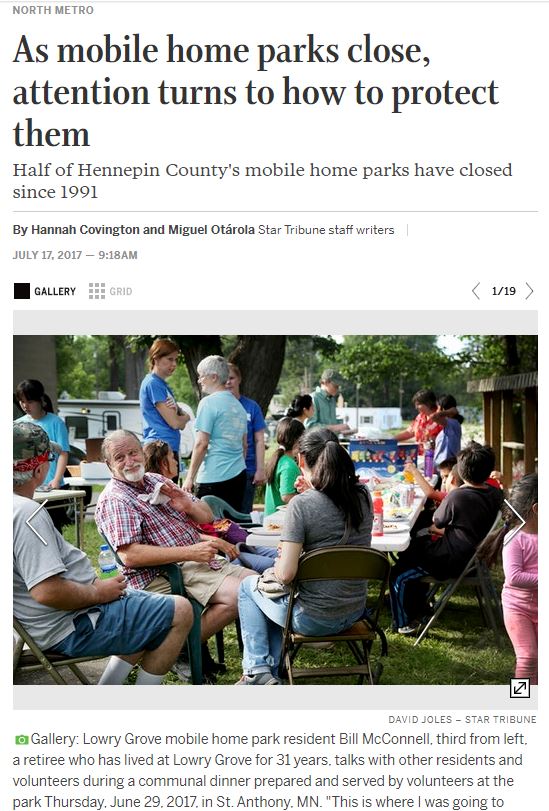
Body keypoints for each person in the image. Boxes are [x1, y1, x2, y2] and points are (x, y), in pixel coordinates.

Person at [13, 422, 192, 685]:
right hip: (66, 626)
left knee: (143, 615)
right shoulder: (26, 514)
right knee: (182, 610)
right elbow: (47, 591)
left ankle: (105, 695)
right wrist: (99, 592)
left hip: (48, 622)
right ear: (40, 469)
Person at [95, 430, 254, 659]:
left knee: (257, 586)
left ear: (142, 452)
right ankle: (176, 648)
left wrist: (188, 505)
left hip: (199, 562)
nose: (129, 462)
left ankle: (261, 663)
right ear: (109, 465)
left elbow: (207, 516)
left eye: (133, 453)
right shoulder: (116, 499)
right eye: (120, 457)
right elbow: (130, 555)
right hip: (165, 573)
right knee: (242, 594)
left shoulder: (156, 480)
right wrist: (190, 552)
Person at [237, 429, 373, 684]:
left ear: (301, 460)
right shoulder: (363, 496)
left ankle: (256, 671)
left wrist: (278, 565)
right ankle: (268, 671)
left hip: (312, 619)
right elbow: (333, 511)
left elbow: (286, 574)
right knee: (276, 596)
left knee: (249, 587)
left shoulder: (302, 505)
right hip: (354, 609)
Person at [389, 443, 504, 635]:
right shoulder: (494, 494)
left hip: (451, 560)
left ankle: (403, 623)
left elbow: (438, 521)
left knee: (398, 574)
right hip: (473, 558)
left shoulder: (457, 496)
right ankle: (420, 607)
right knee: (410, 552)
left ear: (460, 470)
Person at [144, 439, 277, 575]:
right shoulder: (156, 500)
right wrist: (215, 540)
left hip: (229, 538)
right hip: (214, 550)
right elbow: (180, 535)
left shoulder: (176, 490)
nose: (176, 462)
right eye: (172, 457)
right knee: (274, 564)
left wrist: (189, 506)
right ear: (163, 463)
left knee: (279, 553)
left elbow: (208, 515)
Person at [479, 473, 538, 684]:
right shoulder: (515, 538)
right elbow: (514, 577)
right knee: (528, 657)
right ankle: (521, 703)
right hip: (518, 609)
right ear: (537, 509)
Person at [183, 355, 248, 510]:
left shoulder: (208, 403)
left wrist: (190, 477)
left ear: (214, 377)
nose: (199, 380)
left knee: (208, 529)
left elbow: (201, 444)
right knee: (231, 528)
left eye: (201, 376)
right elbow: (244, 444)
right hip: (239, 475)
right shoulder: (239, 406)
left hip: (213, 476)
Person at [15, 379, 71, 530]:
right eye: (21, 401)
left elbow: (63, 453)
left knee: (53, 529)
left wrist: (56, 480)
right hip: (26, 487)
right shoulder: (18, 425)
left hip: (50, 487)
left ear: (40, 400)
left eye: (29, 401)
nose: (25, 406)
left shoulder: (55, 422)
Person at [139, 339, 190, 481]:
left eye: (176, 360)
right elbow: (175, 422)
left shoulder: (163, 385)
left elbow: (180, 418)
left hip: (167, 448)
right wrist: (185, 417)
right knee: (164, 500)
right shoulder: (153, 383)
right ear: (155, 358)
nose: (174, 364)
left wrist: (182, 418)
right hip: (159, 450)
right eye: (169, 359)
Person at [225, 362, 267, 513]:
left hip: (247, 469)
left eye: (232, 378)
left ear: (239, 379)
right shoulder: (218, 405)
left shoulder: (251, 406)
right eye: (225, 378)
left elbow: (259, 440)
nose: (228, 382)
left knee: (243, 514)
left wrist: (260, 469)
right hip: (224, 469)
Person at [264, 417, 305, 516]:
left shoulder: (281, 459)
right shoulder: (288, 465)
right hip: (279, 522)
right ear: (297, 440)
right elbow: (286, 496)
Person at [304, 369, 352, 434]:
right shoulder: (313, 398)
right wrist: (336, 427)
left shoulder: (332, 400)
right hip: (317, 443)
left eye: (338, 386)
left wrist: (343, 429)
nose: (337, 389)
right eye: (335, 386)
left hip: (331, 442)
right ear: (325, 382)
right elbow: (310, 427)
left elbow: (331, 425)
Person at [432, 394, 463, 468]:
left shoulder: (453, 424)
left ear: (443, 408)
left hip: (447, 468)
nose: (436, 411)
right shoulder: (448, 425)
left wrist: (450, 411)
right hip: (441, 468)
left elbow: (434, 417)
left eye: (438, 408)